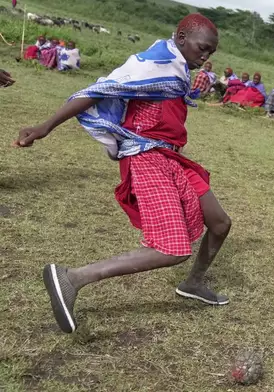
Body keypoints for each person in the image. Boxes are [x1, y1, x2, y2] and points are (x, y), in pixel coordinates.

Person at [14, 14, 231, 334]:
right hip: (146, 157)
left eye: (211, 52)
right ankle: (72, 278)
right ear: (182, 38)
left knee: (220, 222)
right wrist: (45, 126)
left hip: (170, 156)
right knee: (171, 250)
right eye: (202, 48)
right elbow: (102, 89)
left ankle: (194, 283)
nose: (206, 56)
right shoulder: (156, 62)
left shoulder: (177, 66)